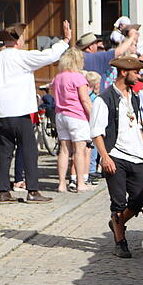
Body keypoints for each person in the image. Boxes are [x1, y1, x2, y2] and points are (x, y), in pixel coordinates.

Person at [0, 21, 72, 203]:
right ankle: (33, 191)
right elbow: (49, 55)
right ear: (18, 41)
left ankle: (4, 191)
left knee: (4, 151)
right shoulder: (21, 57)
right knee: (28, 150)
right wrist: (65, 40)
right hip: (19, 111)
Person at [90, 56, 143, 257]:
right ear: (123, 72)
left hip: (137, 157)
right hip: (116, 156)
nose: (138, 76)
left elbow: (139, 127)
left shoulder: (134, 97)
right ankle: (120, 242)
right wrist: (105, 156)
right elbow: (96, 132)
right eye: (135, 72)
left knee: (137, 201)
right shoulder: (105, 99)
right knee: (118, 202)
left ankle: (116, 224)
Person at [50, 48, 94, 193]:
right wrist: (94, 116)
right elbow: (85, 100)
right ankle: (80, 182)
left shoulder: (57, 77)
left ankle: (61, 184)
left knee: (64, 150)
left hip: (60, 115)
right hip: (77, 115)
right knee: (79, 150)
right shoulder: (78, 77)